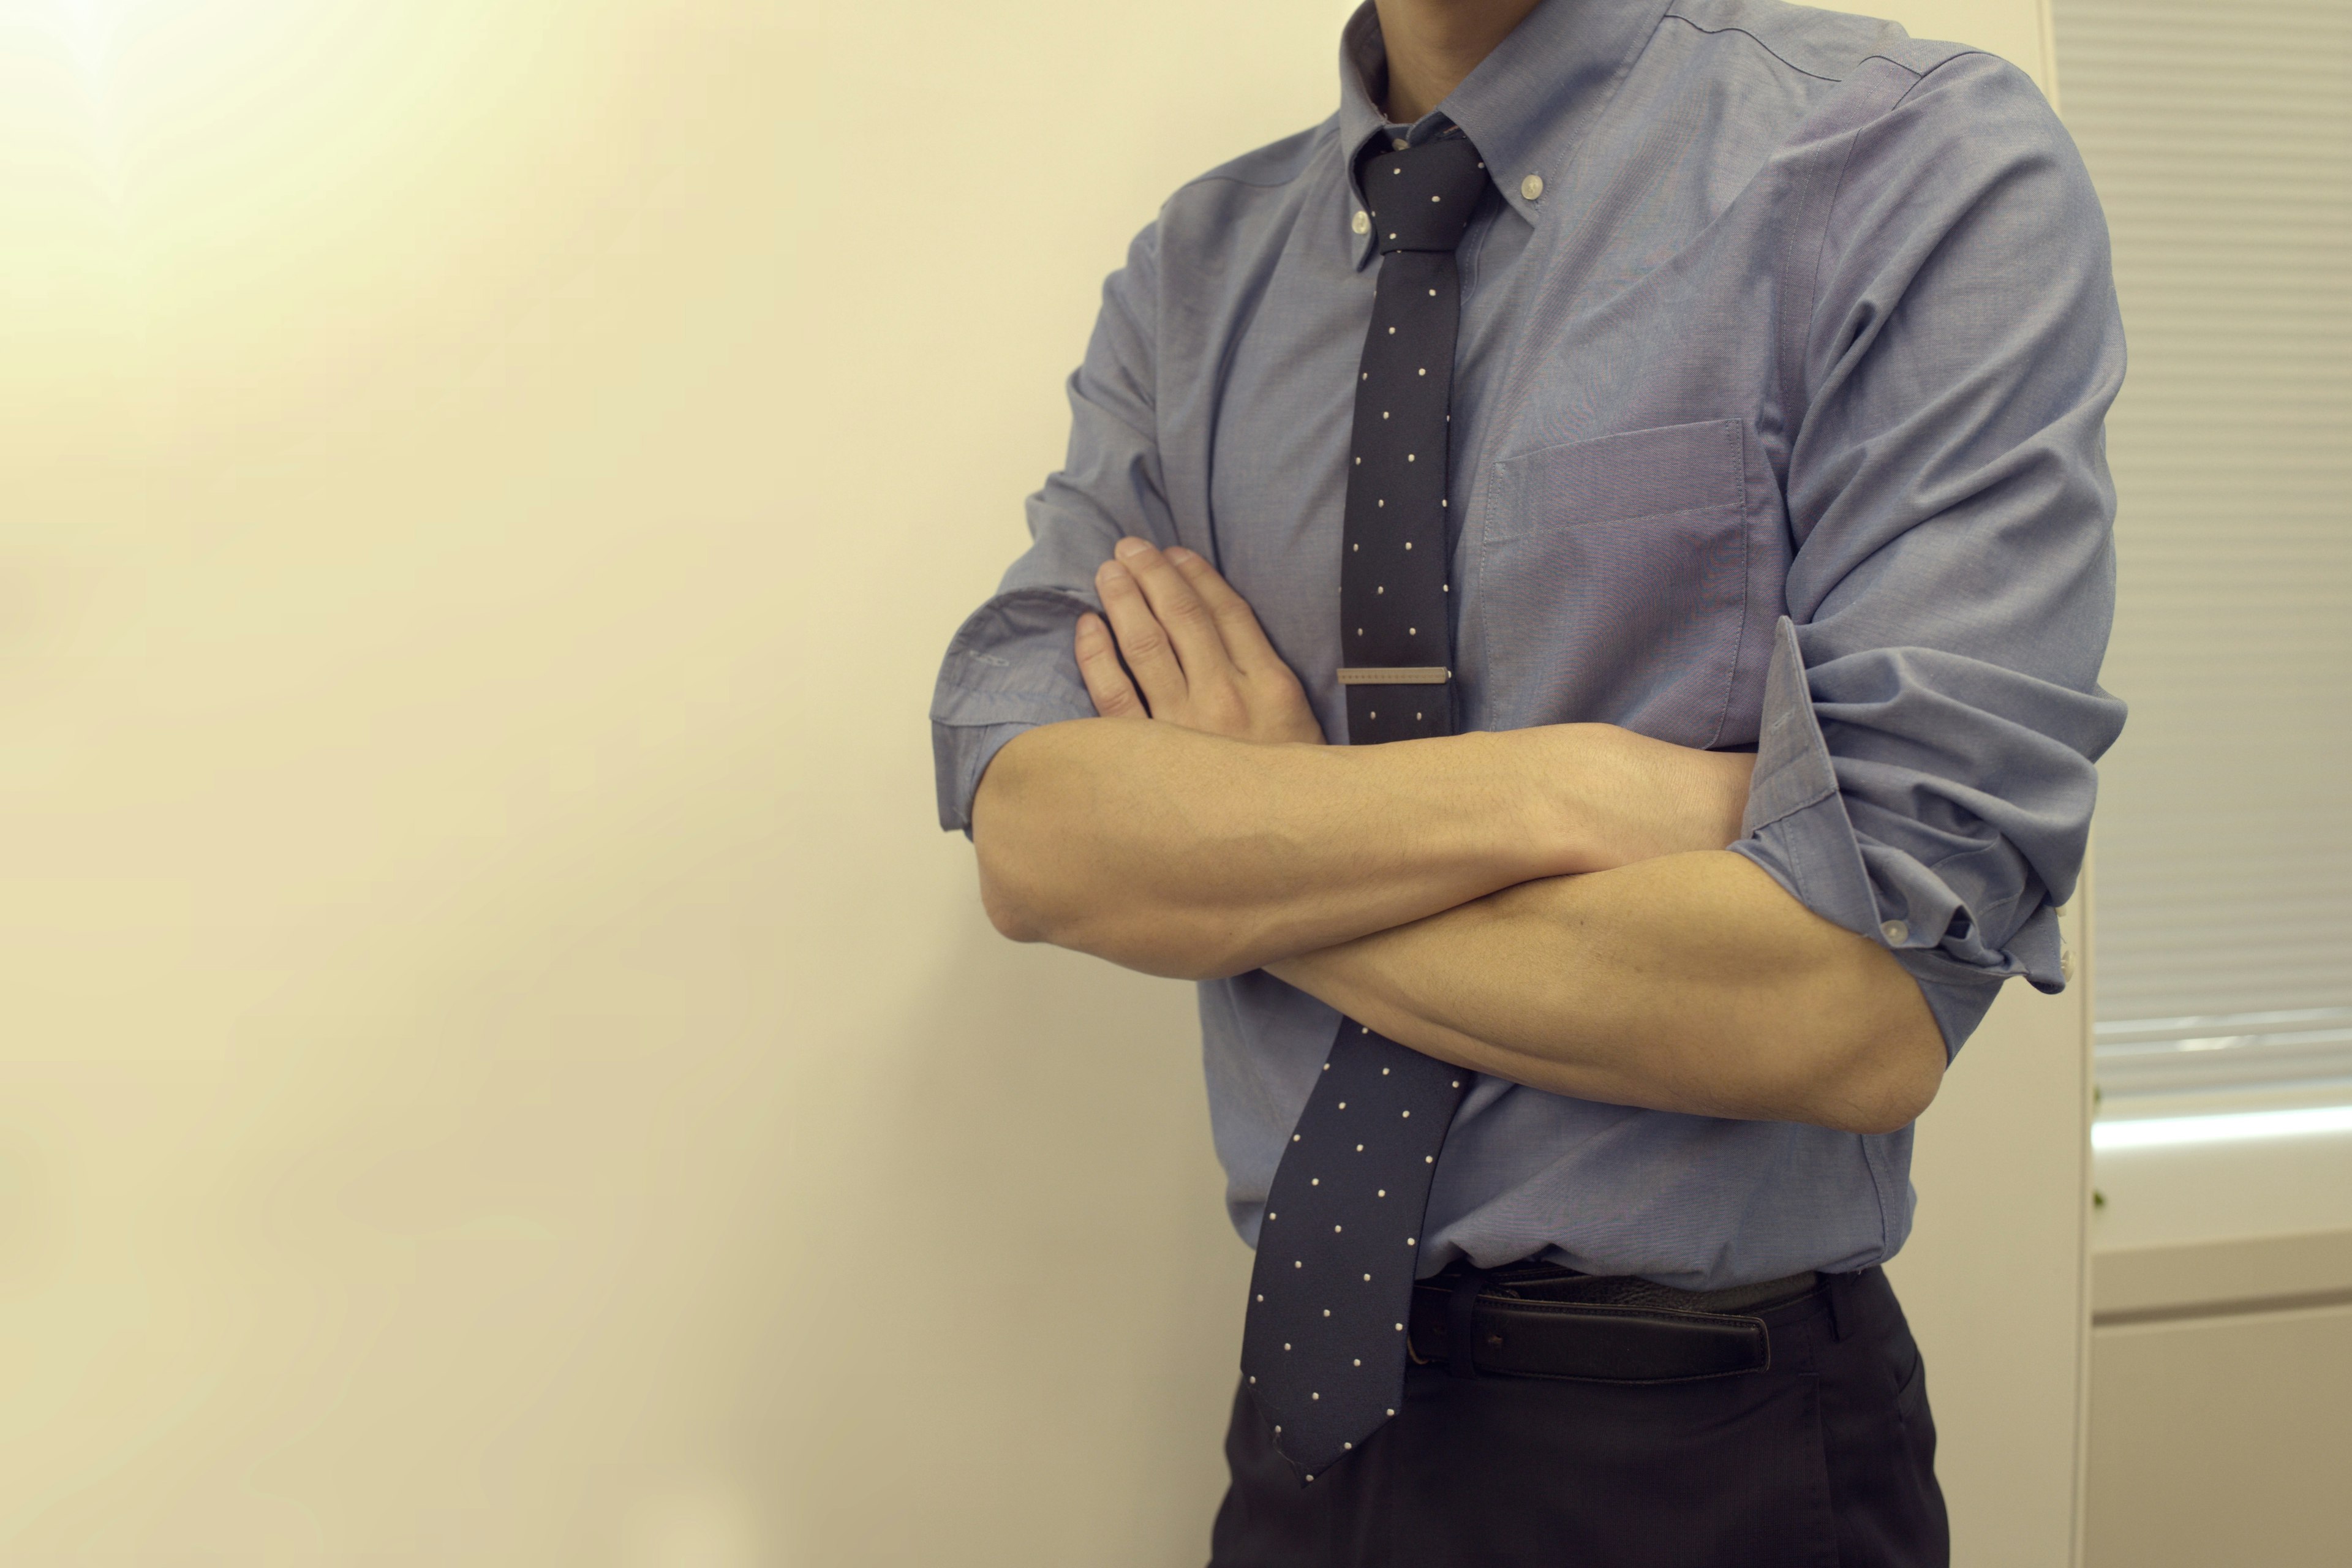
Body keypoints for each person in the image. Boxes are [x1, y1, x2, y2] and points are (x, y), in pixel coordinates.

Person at [927, 0, 2125, 1561]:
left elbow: (1853, 1005)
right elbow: (1037, 839)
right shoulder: (1195, 277)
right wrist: (1567, 788)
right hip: (1302, 1447)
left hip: (1711, 1461)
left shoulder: (1912, 163)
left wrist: (1247, 848)